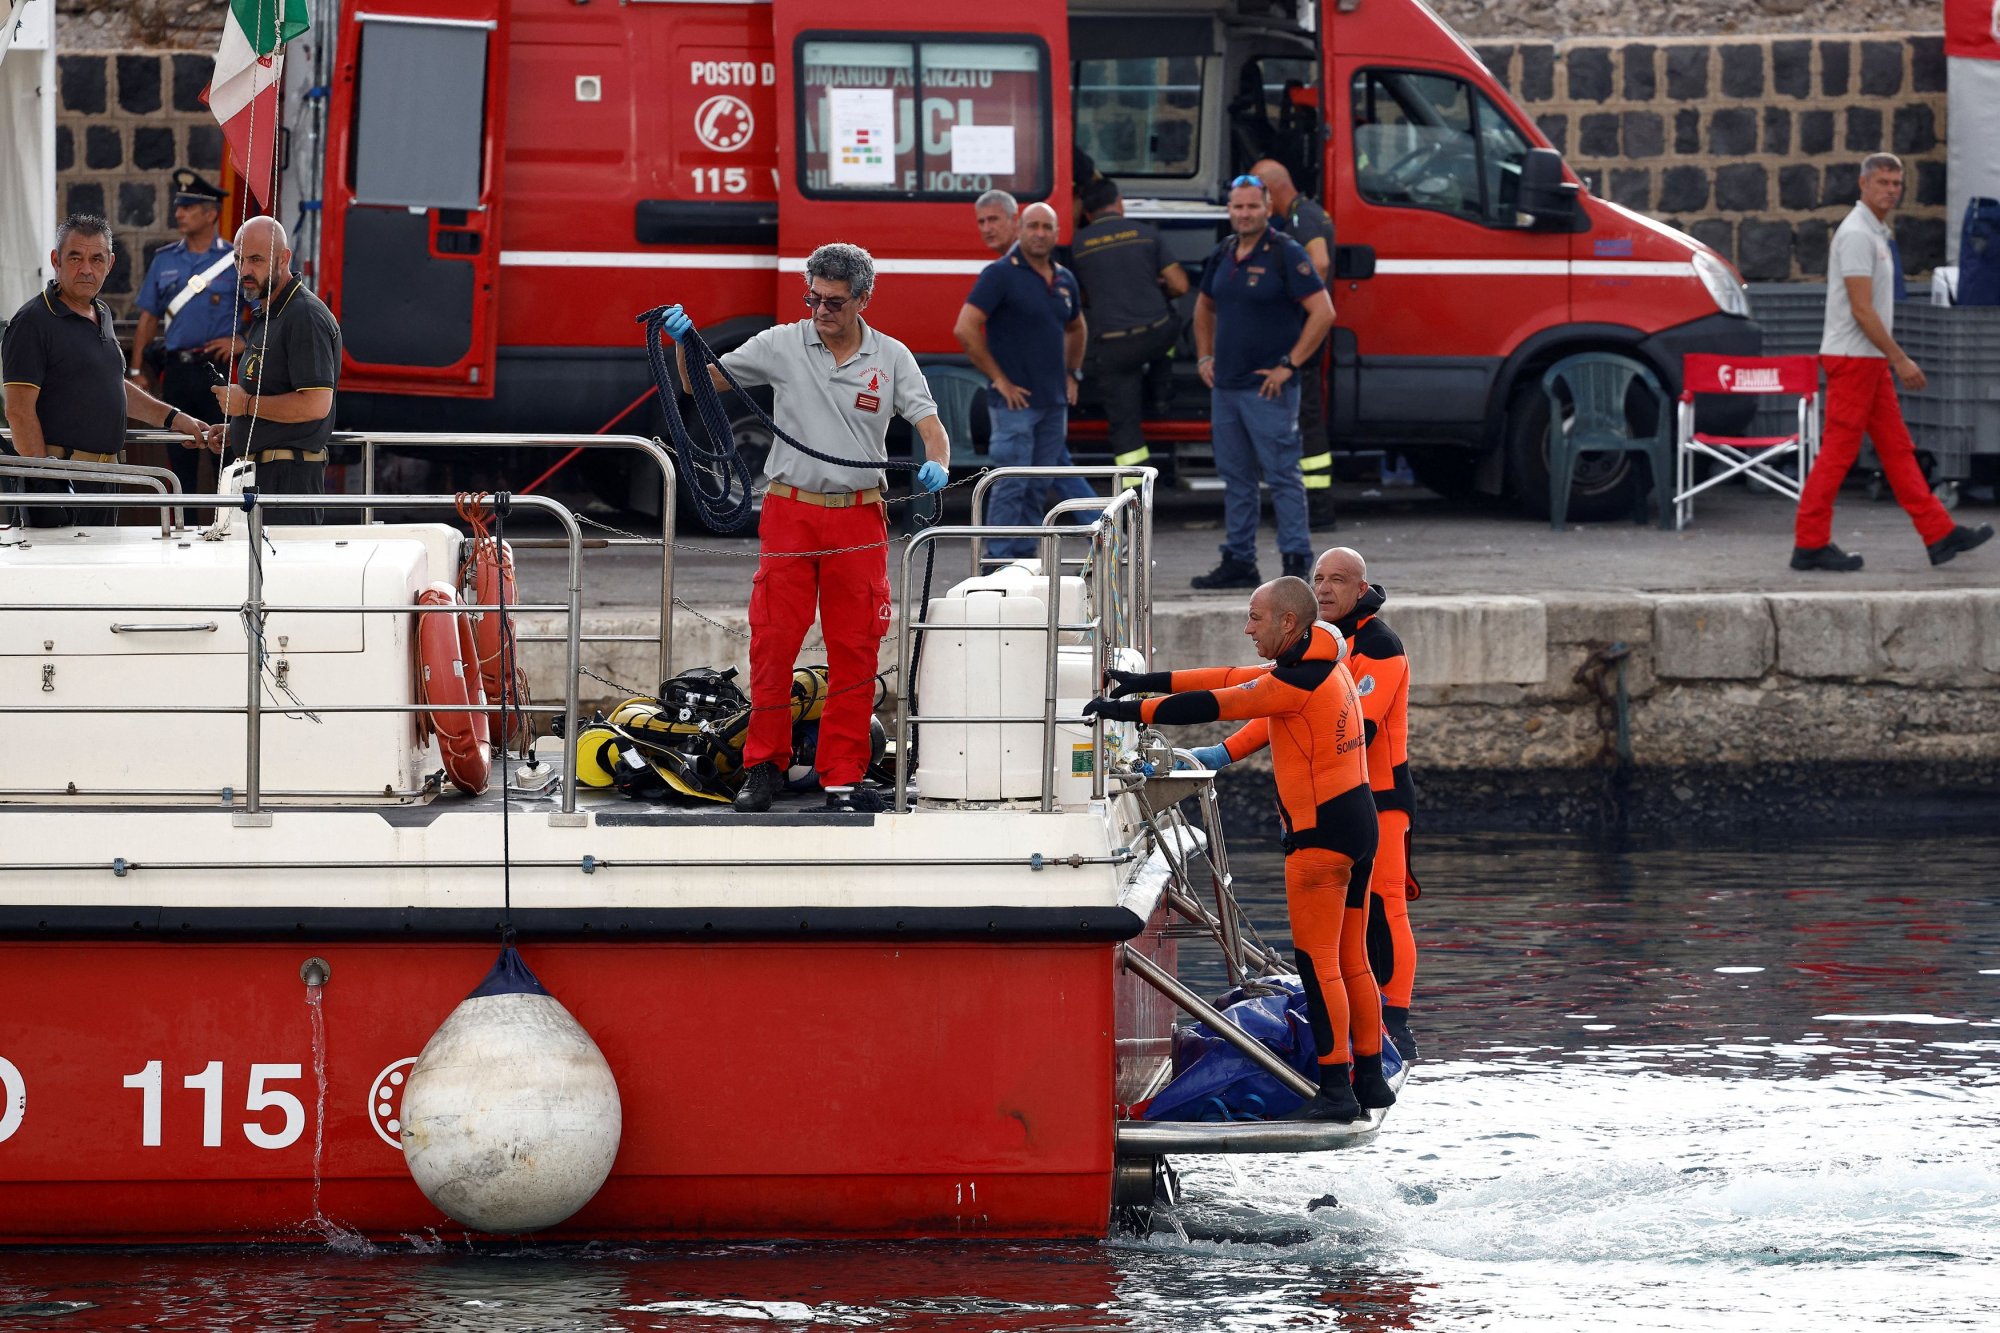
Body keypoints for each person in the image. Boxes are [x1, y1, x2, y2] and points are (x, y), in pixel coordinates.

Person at [1086, 577, 1394, 1123]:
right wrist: (1142, 682)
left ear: (1287, 624)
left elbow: (1218, 701)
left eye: (1255, 618)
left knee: (1320, 964)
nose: (1247, 628)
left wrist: (1126, 712)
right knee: (1351, 960)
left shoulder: (1296, 681)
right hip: (1359, 825)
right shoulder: (1324, 663)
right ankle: (1370, 1079)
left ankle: (1336, 1091)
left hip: (1320, 839)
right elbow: (1228, 676)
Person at [660, 243, 951, 814]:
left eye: (834, 302)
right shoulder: (781, 343)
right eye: (813, 298)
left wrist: (938, 462)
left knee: (856, 649)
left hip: (860, 518)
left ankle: (841, 776)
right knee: (773, 645)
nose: (821, 310)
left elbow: (930, 425)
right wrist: (682, 345)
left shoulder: (891, 357)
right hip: (790, 513)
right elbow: (702, 384)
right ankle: (762, 766)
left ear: (863, 300)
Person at [1188, 548, 1421, 1061]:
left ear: (1362, 589)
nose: (1325, 589)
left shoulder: (1380, 646)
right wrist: (1222, 753)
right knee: (1344, 938)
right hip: (1332, 802)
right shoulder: (1320, 646)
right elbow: (1278, 701)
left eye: (1337, 580)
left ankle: (1397, 1021)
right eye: (1318, 579)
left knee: (1385, 906)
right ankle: (1360, 1034)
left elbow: (1355, 725)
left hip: (1376, 798)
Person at [1793, 153, 1991, 571]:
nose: (1891, 190)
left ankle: (1939, 534)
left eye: (1896, 183)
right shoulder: (1857, 235)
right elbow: (1862, 310)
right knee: (1838, 454)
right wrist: (1899, 359)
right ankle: (1809, 543)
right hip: (1854, 358)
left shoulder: (1874, 233)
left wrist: (1887, 359)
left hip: (1865, 359)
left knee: (1898, 450)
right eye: (1883, 182)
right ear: (1863, 185)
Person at [3, 214, 214, 527]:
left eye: (96, 259)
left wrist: (173, 418)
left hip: (106, 479)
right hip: (61, 481)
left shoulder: (101, 312)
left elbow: (112, 384)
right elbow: (19, 412)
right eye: (75, 257)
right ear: (55, 260)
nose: (86, 268)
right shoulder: (33, 322)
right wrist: (46, 487)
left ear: (110, 263)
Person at [1191, 175, 1335, 589]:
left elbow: (1323, 312)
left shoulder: (1285, 252)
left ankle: (1295, 565)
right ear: (1229, 210)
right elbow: (1204, 307)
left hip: (1268, 390)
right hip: (1227, 389)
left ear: (1267, 208)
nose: (1244, 213)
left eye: (1252, 206)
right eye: (1237, 207)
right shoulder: (1224, 252)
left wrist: (1289, 365)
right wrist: (1204, 356)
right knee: (1236, 478)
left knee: (1283, 476)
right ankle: (1239, 561)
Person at [955, 201, 1096, 559]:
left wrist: (1072, 372)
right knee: (1010, 485)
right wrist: (999, 380)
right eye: (1032, 226)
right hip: (1014, 404)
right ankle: (998, 561)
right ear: (1020, 228)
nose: (1039, 234)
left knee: (1038, 485)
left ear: (1056, 232)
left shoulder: (1064, 279)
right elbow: (965, 329)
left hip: (1053, 404)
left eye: (1046, 227)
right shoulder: (999, 274)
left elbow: (1077, 326)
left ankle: (1024, 558)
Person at [213, 217, 340, 525]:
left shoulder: (304, 315)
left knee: (280, 574)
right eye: (238, 260)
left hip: (289, 483)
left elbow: (315, 404)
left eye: (255, 260)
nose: (244, 271)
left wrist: (244, 406)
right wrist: (239, 430)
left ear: (284, 258)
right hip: (258, 477)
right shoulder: (269, 313)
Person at [131, 169, 238, 506]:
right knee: (180, 462)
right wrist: (136, 371)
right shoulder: (165, 260)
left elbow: (263, 311)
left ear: (211, 213)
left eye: (189, 206)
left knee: (229, 459)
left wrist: (244, 343)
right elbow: (148, 318)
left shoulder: (233, 260)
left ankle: (229, 528)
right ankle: (182, 531)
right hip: (176, 371)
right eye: (179, 206)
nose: (179, 213)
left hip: (218, 372)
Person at [1071, 177, 1187, 484]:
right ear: (1119, 203)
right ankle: (1162, 391)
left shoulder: (1078, 245)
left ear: (1086, 212)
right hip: (1156, 336)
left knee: (1125, 426)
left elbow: (1079, 297)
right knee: (1170, 319)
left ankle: (1138, 496)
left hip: (1114, 349)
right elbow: (1180, 285)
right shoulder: (1148, 235)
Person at [1252, 158, 1337, 526]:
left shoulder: (1305, 218)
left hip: (1305, 331)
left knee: (1306, 418)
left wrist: (1288, 302)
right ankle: (1311, 506)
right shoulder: (1303, 216)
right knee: (1303, 416)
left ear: (1272, 191)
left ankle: (1317, 510)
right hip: (1306, 330)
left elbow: (1318, 263)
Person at [973, 190, 1019, 256]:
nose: (986, 229)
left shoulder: (1032, 258)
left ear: (1014, 219)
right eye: (981, 222)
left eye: (993, 220)